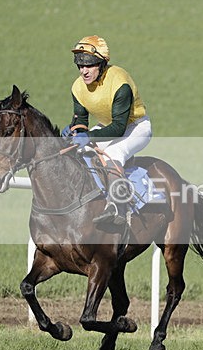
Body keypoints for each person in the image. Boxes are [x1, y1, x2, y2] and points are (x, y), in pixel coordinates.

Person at [63, 35, 152, 227]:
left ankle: (119, 207)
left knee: (113, 152)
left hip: (136, 127)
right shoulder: (77, 87)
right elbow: (81, 121)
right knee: (80, 151)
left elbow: (119, 128)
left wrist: (89, 137)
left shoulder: (120, 82)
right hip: (107, 125)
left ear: (102, 64)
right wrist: (74, 130)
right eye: (80, 66)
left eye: (89, 65)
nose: (83, 71)